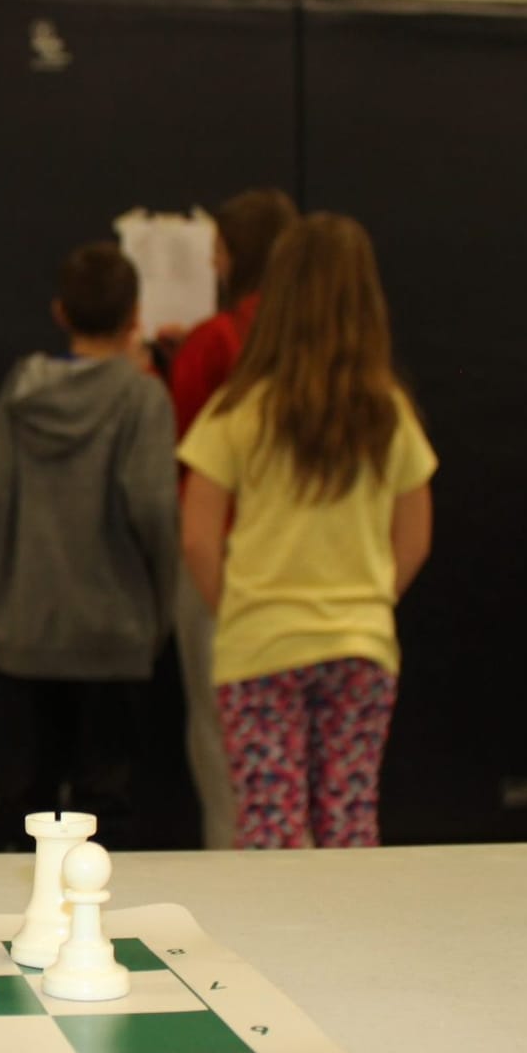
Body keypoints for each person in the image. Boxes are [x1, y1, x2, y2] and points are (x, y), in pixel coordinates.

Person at [177, 213, 436, 849]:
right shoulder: (389, 412)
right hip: (360, 644)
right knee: (349, 825)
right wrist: (367, 601)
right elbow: (414, 537)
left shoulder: (239, 410)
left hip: (261, 645)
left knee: (272, 832)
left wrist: (235, 609)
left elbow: (197, 537)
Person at [0, 242, 177, 849]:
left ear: (60, 312)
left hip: (26, 627)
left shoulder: (21, 391)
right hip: (115, 633)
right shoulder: (142, 398)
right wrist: (158, 614)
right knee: (106, 815)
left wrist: (4, 610)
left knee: (23, 809)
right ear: (135, 316)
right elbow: (154, 510)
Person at [169, 188, 297, 850]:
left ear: (236, 254)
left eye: (218, 249)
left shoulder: (216, 342)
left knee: (223, 747)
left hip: (223, 563)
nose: (212, 262)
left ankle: (233, 875)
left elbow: (185, 457)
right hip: (306, 571)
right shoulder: (318, 349)